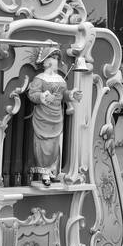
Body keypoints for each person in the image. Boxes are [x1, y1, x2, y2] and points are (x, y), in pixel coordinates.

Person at [25, 46, 78, 186]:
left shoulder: (60, 78)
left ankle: (52, 171)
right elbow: (32, 94)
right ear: (45, 61)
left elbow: (63, 94)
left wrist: (71, 94)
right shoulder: (39, 78)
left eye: (56, 59)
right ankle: (44, 173)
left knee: (55, 144)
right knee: (44, 144)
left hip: (57, 115)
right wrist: (42, 96)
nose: (55, 61)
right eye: (52, 58)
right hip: (43, 116)